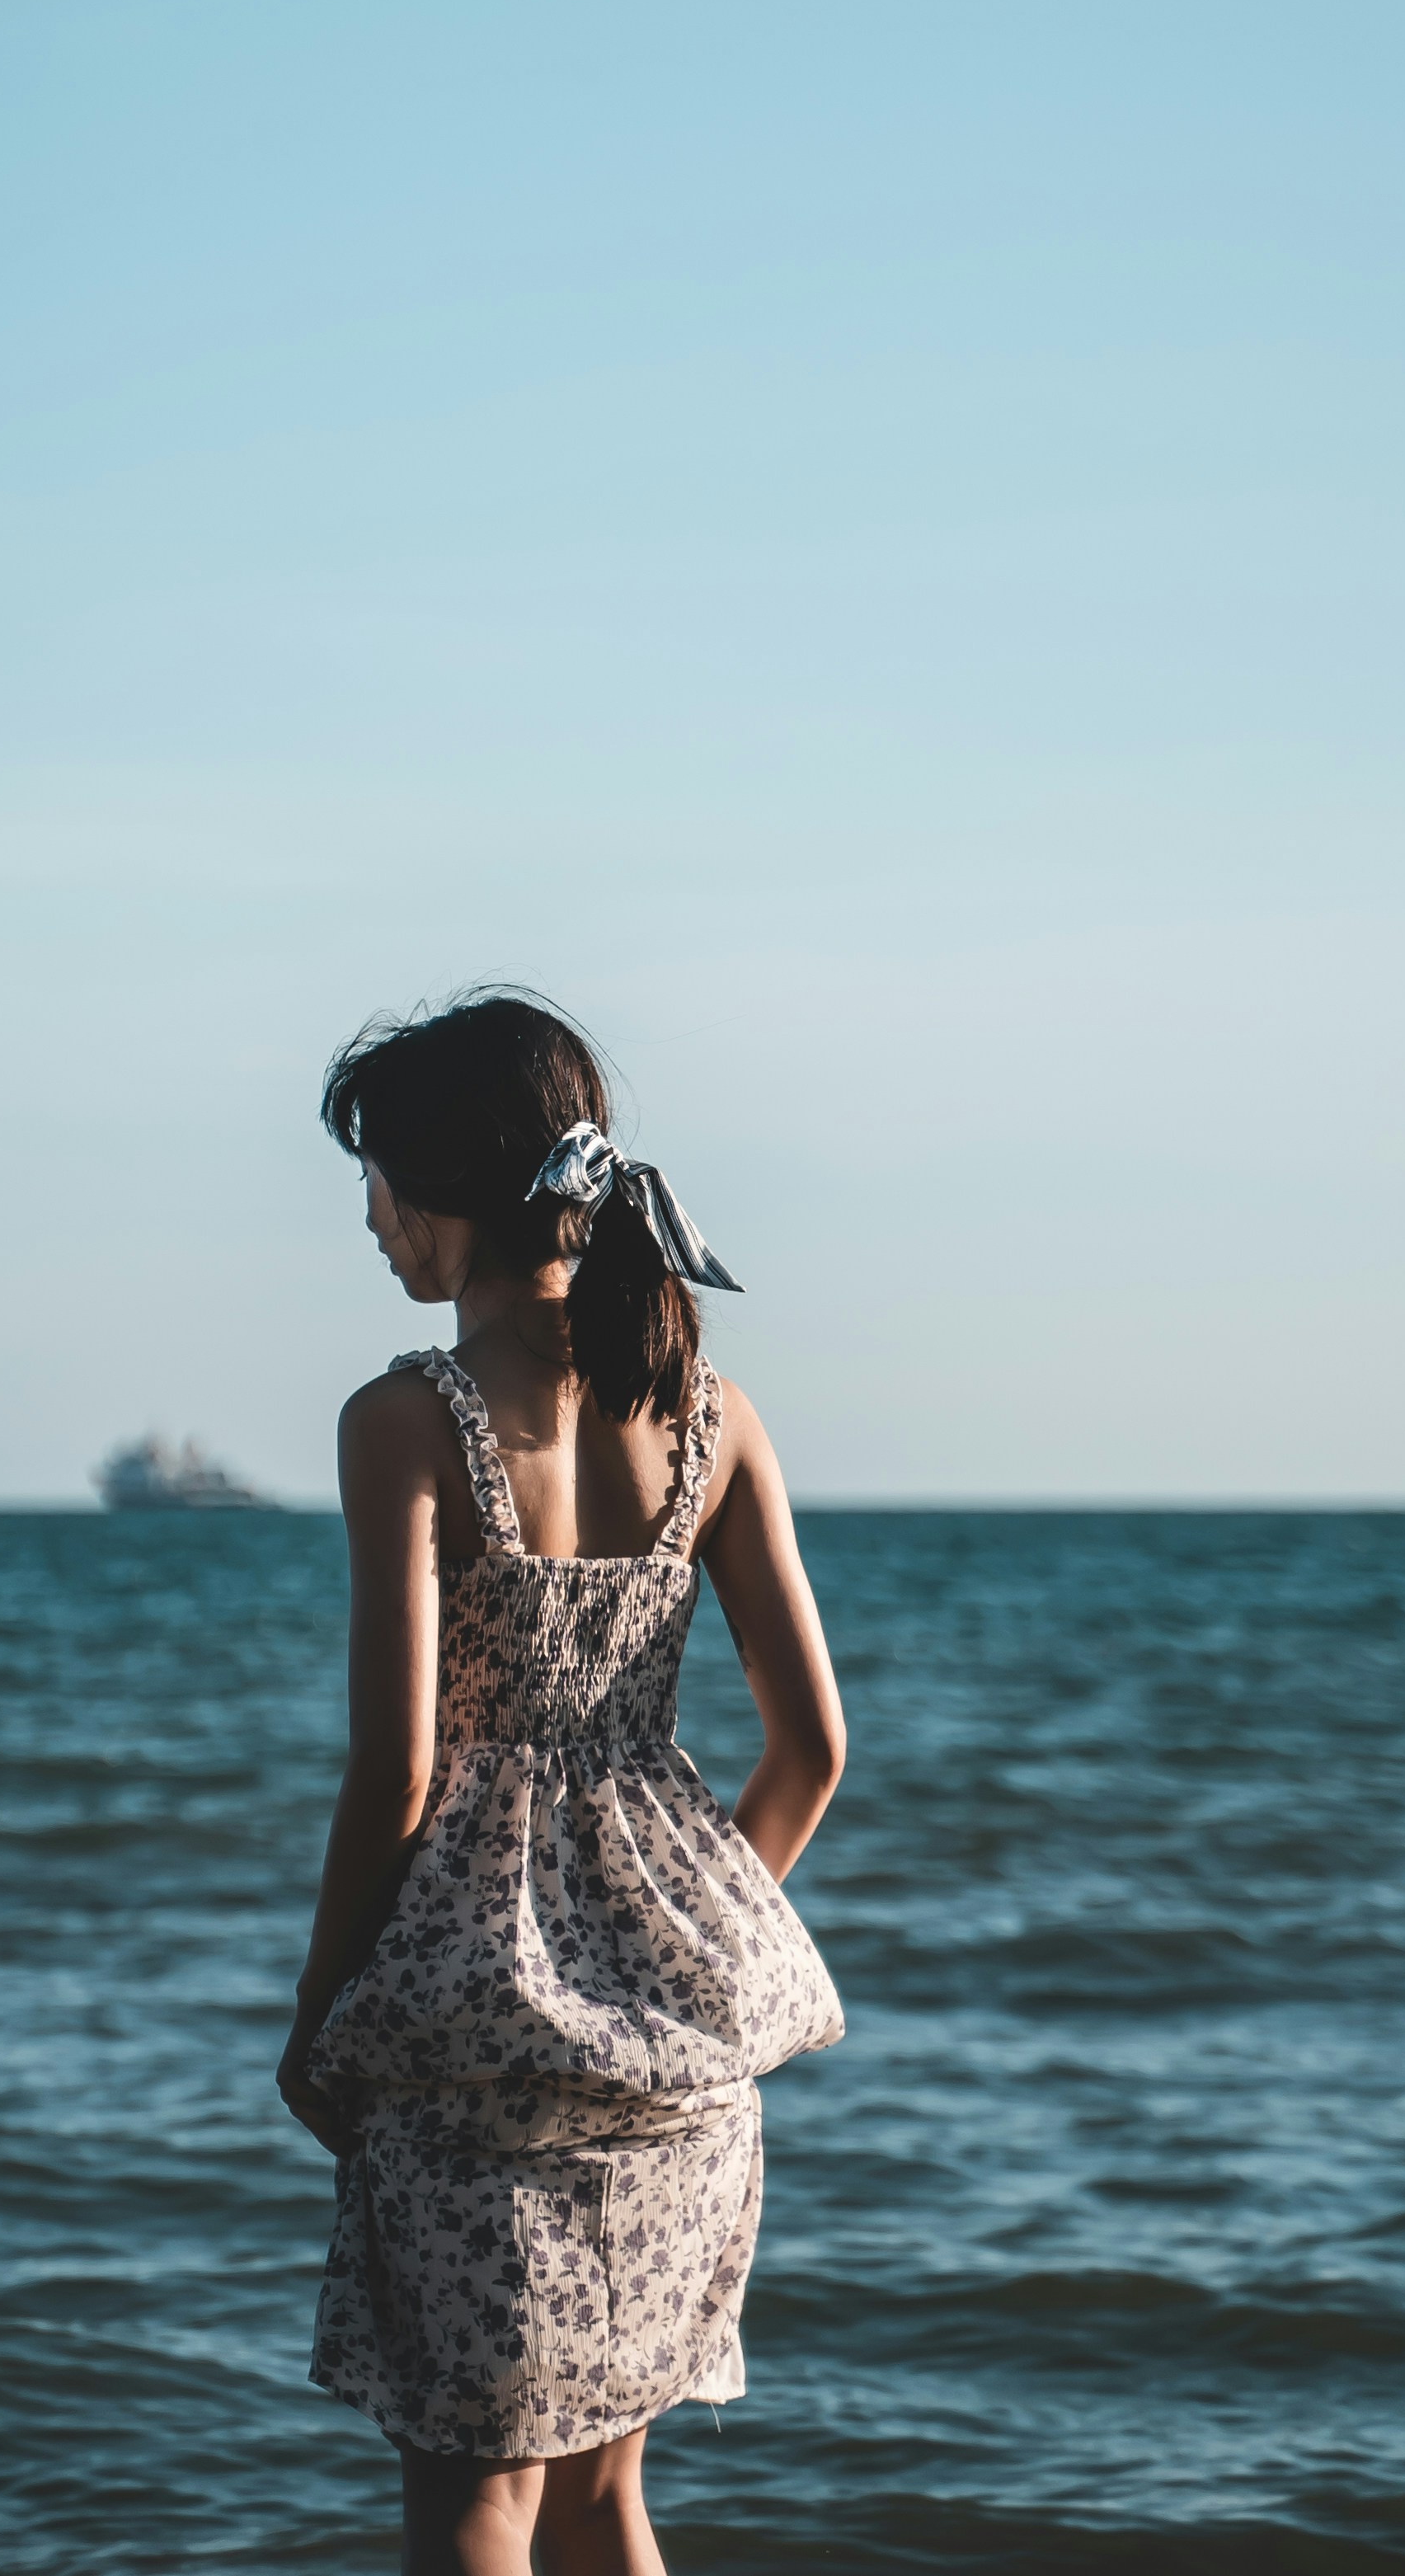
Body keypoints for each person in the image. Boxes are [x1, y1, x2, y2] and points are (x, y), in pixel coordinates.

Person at [280, 990, 848, 2576]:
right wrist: (656, 1952)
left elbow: (395, 1770)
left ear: (444, 1186)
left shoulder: (403, 1421)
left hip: (467, 2055)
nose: (374, 1222)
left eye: (378, 1179)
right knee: (606, 2501)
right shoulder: (711, 1416)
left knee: (470, 2499)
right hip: (682, 2072)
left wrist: (321, 2013)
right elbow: (810, 1752)